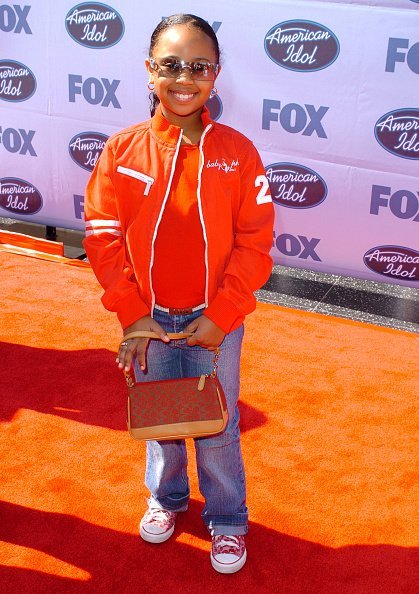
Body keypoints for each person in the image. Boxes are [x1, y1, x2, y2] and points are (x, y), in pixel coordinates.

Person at [83, 13, 274, 574]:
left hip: (217, 323)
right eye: (171, 65)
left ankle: (229, 520)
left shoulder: (238, 153)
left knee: (217, 424)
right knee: (160, 419)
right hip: (147, 321)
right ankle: (165, 500)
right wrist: (132, 314)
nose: (184, 77)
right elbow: (100, 235)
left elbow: (255, 244)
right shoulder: (122, 149)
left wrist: (221, 316)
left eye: (199, 66)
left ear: (216, 75)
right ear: (149, 71)